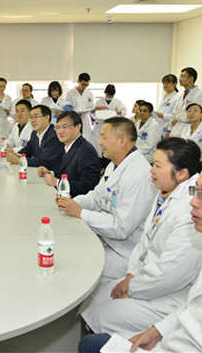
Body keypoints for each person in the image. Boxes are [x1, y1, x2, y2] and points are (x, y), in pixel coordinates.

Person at [79, 138, 202, 336]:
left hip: (167, 297)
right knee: (92, 299)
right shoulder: (165, 193)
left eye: (158, 165)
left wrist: (131, 288)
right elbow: (144, 241)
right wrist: (130, 275)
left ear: (182, 174)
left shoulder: (191, 211)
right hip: (143, 278)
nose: (151, 170)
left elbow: (169, 274)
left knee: (98, 316)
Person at [57, 117, 156, 280]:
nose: (99, 142)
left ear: (122, 140)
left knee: (72, 264)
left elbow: (121, 227)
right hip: (106, 241)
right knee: (65, 247)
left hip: (125, 253)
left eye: (104, 137)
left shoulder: (139, 175)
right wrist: (71, 203)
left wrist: (81, 213)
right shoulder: (114, 164)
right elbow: (96, 197)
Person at [37, 111, 100, 197]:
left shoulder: (85, 151)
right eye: (58, 127)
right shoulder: (69, 146)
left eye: (64, 127)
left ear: (78, 127)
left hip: (77, 201)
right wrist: (51, 173)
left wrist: (57, 182)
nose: (60, 131)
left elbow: (88, 185)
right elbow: (68, 174)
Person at [6, 105, 64, 173]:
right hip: (39, 172)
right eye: (31, 117)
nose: (32, 120)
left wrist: (19, 160)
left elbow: (44, 161)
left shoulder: (54, 136)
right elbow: (28, 149)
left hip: (52, 175)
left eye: (36, 117)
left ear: (47, 118)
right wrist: (17, 155)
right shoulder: (34, 133)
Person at [166, 67, 202, 137]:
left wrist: (177, 118)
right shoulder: (183, 94)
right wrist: (169, 130)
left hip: (188, 131)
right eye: (180, 76)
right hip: (175, 130)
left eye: (182, 77)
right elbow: (174, 113)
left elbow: (194, 115)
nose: (180, 79)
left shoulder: (199, 95)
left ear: (191, 79)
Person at [91, 84, 126, 158]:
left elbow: (124, 113)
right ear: (105, 92)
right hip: (100, 125)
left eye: (111, 95)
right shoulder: (99, 102)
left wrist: (119, 111)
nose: (109, 97)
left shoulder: (118, 102)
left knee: (110, 146)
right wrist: (96, 109)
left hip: (112, 126)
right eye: (108, 95)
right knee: (98, 147)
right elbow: (93, 113)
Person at [65, 73, 95, 145]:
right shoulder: (70, 94)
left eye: (87, 85)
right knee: (74, 141)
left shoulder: (89, 94)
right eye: (83, 84)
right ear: (78, 82)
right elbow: (67, 108)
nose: (84, 87)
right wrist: (75, 113)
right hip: (73, 119)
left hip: (85, 120)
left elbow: (91, 107)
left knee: (86, 141)